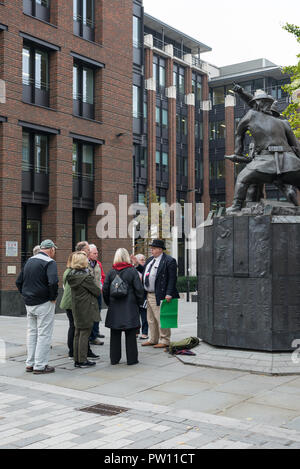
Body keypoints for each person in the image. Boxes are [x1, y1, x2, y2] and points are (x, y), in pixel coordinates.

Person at [226, 92, 300, 213]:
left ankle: (236, 206)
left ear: (257, 103)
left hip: (266, 161)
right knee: (288, 184)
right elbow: (296, 145)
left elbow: (239, 134)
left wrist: (238, 153)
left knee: (242, 179)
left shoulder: (251, 115)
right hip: (290, 161)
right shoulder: (284, 123)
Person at [16, 239, 58, 374]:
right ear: (51, 249)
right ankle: (40, 365)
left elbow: (18, 281)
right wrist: (53, 298)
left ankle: (30, 363)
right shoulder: (50, 262)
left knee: (32, 332)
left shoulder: (29, 261)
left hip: (29, 302)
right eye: (54, 250)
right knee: (44, 334)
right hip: (44, 302)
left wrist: (25, 294)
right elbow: (53, 282)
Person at [133, 239, 180, 349]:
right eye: (151, 248)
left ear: (160, 249)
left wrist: (169, 293)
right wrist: (136, 264)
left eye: (153, 248)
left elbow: (172, 279)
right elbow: (145, 271)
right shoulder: (150, 260)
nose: (151, 250)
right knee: (150, 319)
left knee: (161, 318)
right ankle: (153, 339)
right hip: (148, 294)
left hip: (160, 294)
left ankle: (165, 340)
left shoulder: (169, 260)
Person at [102, 248, 144, 365]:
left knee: (115, 335)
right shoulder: (132, 271)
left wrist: (109, 303)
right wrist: (139, 303)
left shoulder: (111, 272)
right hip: (130, 307)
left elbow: (105, 290)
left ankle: (114, 359)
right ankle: (132, 359)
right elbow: (139, 289)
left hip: (115, 308)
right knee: (130, 335)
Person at [67, 251, 101, 368]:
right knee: (84, 333)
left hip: (76, 307)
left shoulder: (71, 274)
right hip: (86, 307)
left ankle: (77, 359)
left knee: (78, 332)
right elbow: (96, 291)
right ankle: (82, 360)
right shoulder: (85, 277)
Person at [88, 244, 106, 345]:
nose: (96, 255)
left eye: (97, 253)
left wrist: (101, 287)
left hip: (98, 293)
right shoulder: (85, 263)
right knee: (90, 315)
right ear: (89, 253)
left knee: (97, 314)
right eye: (94, 253)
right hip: (89, 294)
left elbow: (102, 276)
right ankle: (90, 336)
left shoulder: (98, 263)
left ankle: (94, 335)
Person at [135, 253, 148, 339]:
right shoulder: (133, 270)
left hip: (144, 296)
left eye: (144, 260)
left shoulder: (146, 269)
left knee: (144, 316)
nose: (144, 261)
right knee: (135, 315)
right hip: (135, 296)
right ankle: (136, 332)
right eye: (141, 260)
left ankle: (145, 333)